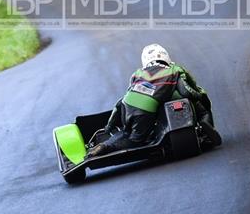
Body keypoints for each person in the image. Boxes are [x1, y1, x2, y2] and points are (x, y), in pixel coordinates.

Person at [87, 43, 222, 158]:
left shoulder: (137, 73)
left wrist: (108, 127)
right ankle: (106, 147)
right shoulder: (174, 69)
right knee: (135, 141)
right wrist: (200, 95)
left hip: (126, 105)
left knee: (126, 132)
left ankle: (107, 142)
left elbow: (124, 99)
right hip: (146, 110)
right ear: (166, 56)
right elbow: (185, 91)